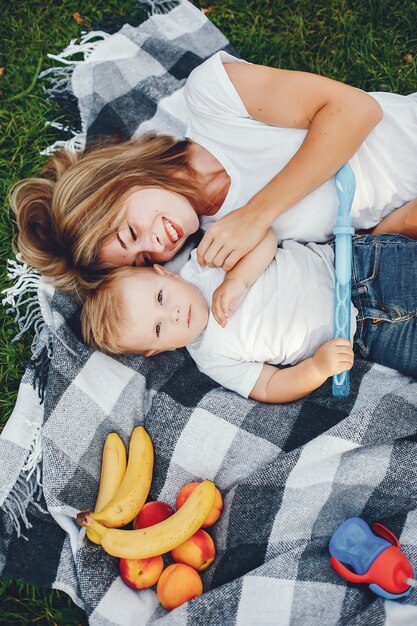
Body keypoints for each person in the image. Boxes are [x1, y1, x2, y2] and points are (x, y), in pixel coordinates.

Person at [11, 50, 417, 295]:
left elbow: (357, 110)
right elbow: (349, 246)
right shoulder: (223, 249)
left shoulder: (211, 99)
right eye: (143, 259)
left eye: (131, 233)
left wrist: (256, 214)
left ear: (119, 183)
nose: (156, 246)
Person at [80, 230, 417, 403]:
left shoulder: (205, 262)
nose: (174, 314)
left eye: (161, 298)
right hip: (366, 335)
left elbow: (263, 237)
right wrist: (316, 368)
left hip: (354, 267)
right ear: (156, 351)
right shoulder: (210, 358)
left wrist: (236, 280)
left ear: (165, 274)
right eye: (157, 328)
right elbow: (270, 386)